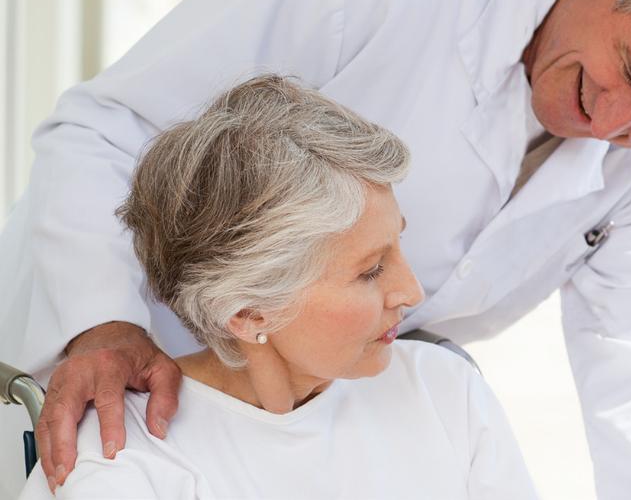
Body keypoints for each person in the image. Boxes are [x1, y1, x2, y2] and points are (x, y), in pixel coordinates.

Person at [0, 0, 631, 499]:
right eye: (625, 74)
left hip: (339, 390)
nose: (614, 128)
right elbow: (106, 128)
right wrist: (101, 326)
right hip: (133, 365)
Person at [16, 76, 539, 499]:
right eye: (371, 270)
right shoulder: (127, 460)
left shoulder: (444, 392)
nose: (412, 291)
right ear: (248, 312)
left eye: (398, 247)